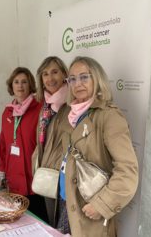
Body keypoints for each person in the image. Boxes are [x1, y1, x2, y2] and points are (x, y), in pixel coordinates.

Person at [56, 56, 139, 236]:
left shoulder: (108, 116)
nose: (78, 83)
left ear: (97, 78)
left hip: (90, 208)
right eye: (72, 79)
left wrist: (102, 205)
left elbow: (128, 171)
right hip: (66, 200)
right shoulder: (71, 115)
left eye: (84, 77)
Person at [0, 67, 47, 221]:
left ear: (30, 84)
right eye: (16, 82)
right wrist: (1, 171)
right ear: (11, 86)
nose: (20, 86)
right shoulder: (7, 112)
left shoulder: (40, 108)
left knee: (38, 219)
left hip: (33, 176)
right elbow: (3, 144)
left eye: (24, 82)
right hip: (14, 178)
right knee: (18, 220)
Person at [31, 56, 69, 226]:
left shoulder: (72, 104)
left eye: (55, 72)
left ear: (64, 74)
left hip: (64, 177)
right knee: (52, 222)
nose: (50, 78)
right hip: (47, 173)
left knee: (64, 225)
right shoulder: (46, 106)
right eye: (45, 74)